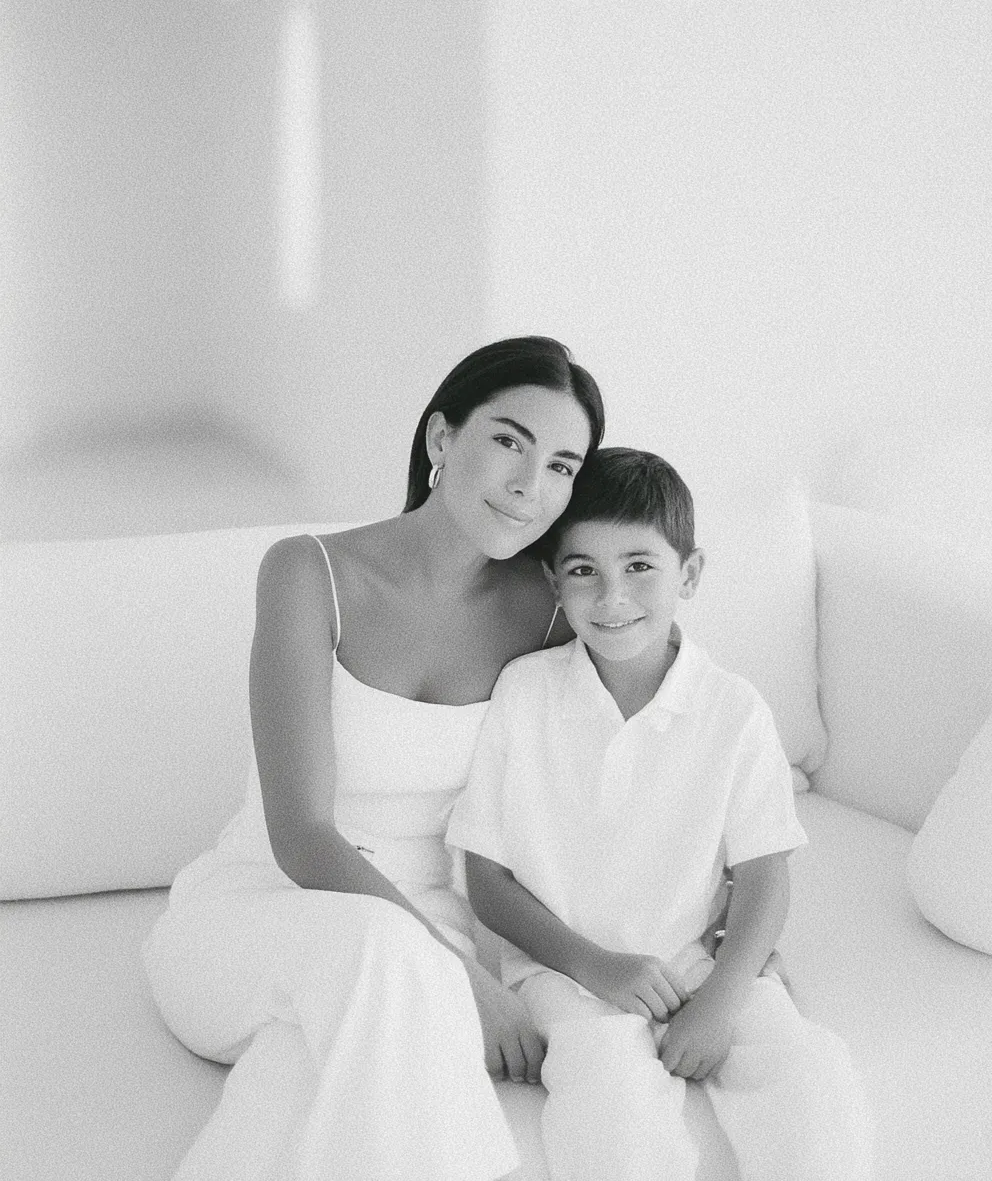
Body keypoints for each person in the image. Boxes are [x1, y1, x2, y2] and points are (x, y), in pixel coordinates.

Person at [141, 337, 606, 1181]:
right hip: (259, 915)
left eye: (563, 466)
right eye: (509, 440)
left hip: (417, 944)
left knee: (294, 1090)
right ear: (440, 440)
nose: (530, 486)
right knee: (382, 964)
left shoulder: (551, 612)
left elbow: (655, 736)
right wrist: (462, 978)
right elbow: (301, 832)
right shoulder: (309, 572)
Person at [446, 446, 874, 1181]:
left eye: (640, 566)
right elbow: (486, 879)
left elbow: (766, 879)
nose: (612, 598)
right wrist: (596, 966)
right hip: (565, 974)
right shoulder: (524, 693)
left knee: (808, 1076)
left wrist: (723, 996)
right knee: (608, 1111)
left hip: (700, 963)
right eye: (584, 570)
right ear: (553, 578)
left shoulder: (733, 709)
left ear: (691, 573)